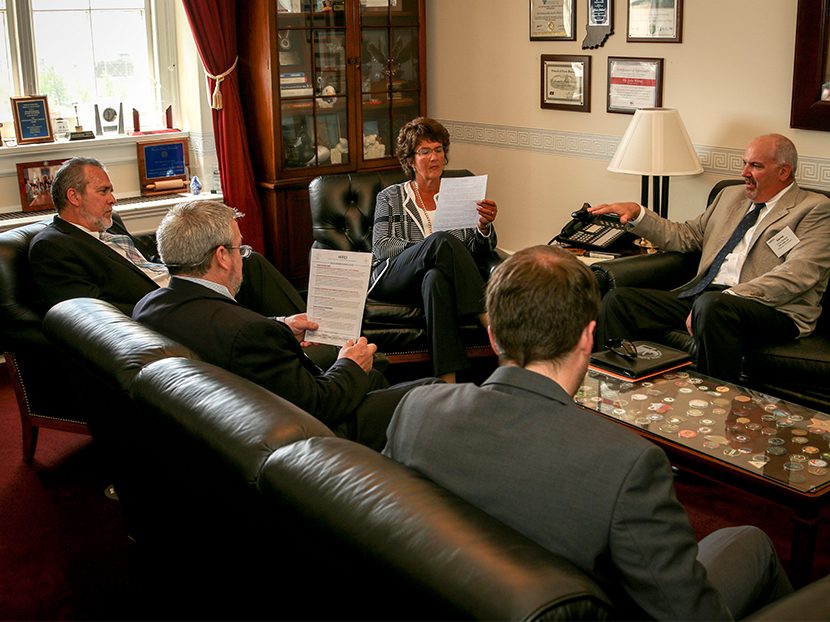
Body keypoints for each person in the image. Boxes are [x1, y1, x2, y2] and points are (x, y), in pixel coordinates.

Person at [384, 245, 793, 620]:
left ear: (493, 337)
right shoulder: (628, 465)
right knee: (753, 542)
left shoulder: (417, 409)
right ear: (586, 337)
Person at [133, 200, 438, 450]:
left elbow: (216, 329)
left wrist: (280, 324)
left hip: (225, 429)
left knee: (374, 379)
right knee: (432, 392)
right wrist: (350, 364)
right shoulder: (247, 333)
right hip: (307, 440)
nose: (243, 258)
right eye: (240, 249)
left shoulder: (148, 307)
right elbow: (319, 404)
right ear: (222, 257)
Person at [590, 134, 830, 382]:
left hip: (772, 308)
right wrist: (639, 214)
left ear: (783, 172)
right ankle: (615, 389)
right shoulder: (729, 196)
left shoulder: (814, 208)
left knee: (713, 306)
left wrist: (731, 295)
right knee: (619, 301)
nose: (744, 173)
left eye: (755, 166)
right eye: (744, 163)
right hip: (707, 298)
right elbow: (686, 236)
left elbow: (799, 274)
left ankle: (717, 397)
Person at [29, 156, 307, 320]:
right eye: (103, 191)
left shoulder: (110, 225)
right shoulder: (53, 247)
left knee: (248, 261)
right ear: (74, 196)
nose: (113, 199)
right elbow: (92, 315)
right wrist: (163, 300)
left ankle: (312, 333)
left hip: (174, 281)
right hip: (164, 307)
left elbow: (143, 263)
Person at [371, 117, 498, 382]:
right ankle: (489, 320)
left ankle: (447, 381)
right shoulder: (390, 197)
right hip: (393, 278)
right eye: (424, 151)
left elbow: (475, 251)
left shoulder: (460, 194)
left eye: (438, 150)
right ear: (410, 160)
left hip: (432, 280)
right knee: (439, 242)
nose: (434, 157)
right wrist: (427, 249)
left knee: (435, 279)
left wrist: (483, 226)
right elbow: (382, 247)